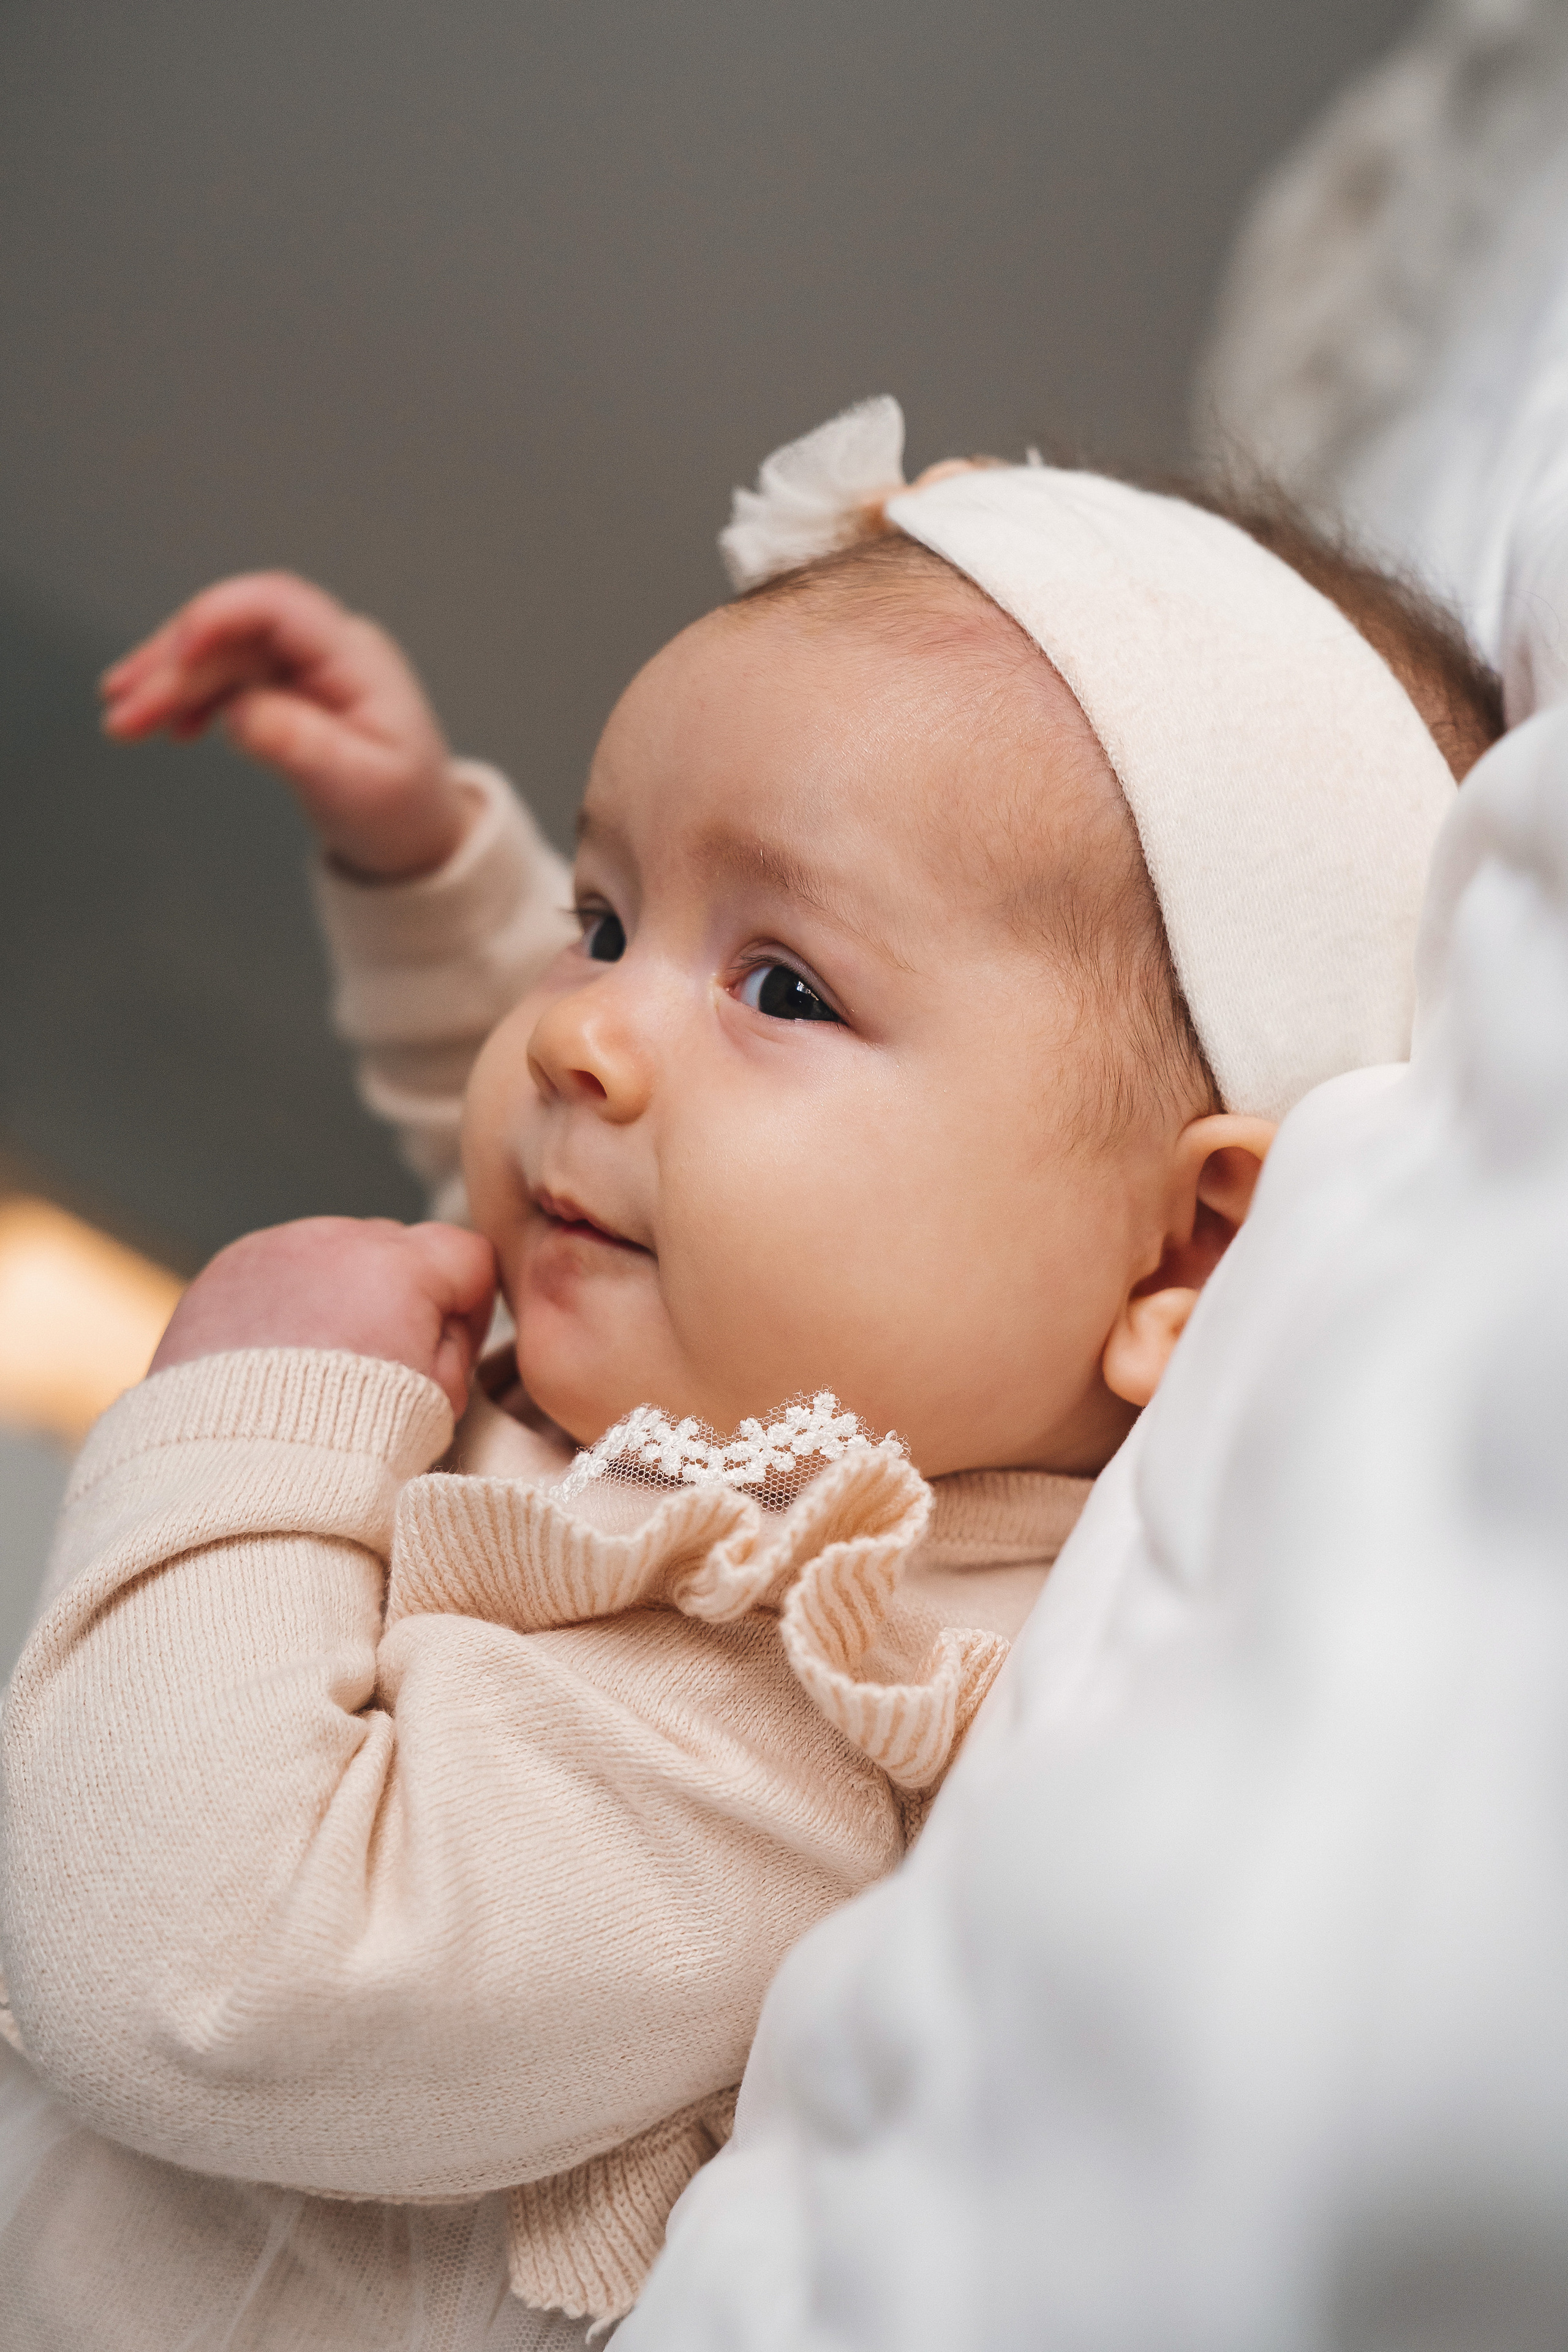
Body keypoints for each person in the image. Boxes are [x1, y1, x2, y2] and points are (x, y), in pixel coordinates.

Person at [0, 398, 1500, 2348]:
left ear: (1185, 1250)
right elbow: (593, 1166)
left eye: (783, 984)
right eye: (603, 923)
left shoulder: (779, 1708)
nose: (583, 1035)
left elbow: (211, 1987)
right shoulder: (765, 1377)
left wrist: (236, 1423)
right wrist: (428, 856)